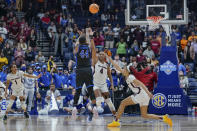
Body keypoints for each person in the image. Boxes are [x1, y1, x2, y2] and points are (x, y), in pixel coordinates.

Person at [106, 55, 172, 127]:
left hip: (142, 95)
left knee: (123, 103)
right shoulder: (126, 75)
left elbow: (141, 84)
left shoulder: (131, 77)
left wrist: (149, 93)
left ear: (127, 71)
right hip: (144, 96)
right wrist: (110, 59)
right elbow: (117, 67)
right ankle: (164, 118)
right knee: (144, 115)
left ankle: (116, 121)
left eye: (124, 69)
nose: (123, 70)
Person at [71, 30, 96, 121]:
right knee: (90, 89)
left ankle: (74, 107)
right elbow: (93, 48)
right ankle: (95, 107)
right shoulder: (88, 47)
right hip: (88, 69)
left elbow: (75, 50)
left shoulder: (77, 47)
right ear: (86, 41)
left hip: (79, 70)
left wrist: (80, 36)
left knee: (78, 89)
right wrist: (91, 37)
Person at [92, 51, 116, 115]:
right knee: (98, 95)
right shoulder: (95, 61)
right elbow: (93, 52)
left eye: (102, 54)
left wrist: (112, 85)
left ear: (105, 56)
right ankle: (99, 107)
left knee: (109, 101)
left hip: (104, 85)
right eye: (99, 54)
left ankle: (115, 115)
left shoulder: (107, 65)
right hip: (96, 84)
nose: (101, 55)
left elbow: (110, 76)